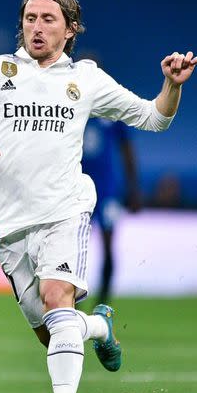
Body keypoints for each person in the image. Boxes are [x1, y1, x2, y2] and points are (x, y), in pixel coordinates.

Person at [0, 0, 197, 393]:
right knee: (53, 328)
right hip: (10, 225)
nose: (37, 27)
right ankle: (101, 326)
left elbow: (154, 118)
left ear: (70, 30)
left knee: (56, 295)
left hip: (66, 209)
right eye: (30, 18)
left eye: (48, 19)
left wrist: (171, 86)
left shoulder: (86, 79)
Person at [82, 116, 142, 304]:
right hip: (77, 189)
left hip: (107, 191)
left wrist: (133, 188)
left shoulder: (111, 109)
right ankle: (72, 304)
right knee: (72, 248)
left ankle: (103, 304)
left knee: (108, 247)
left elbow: (126, 148)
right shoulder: (74, 105)